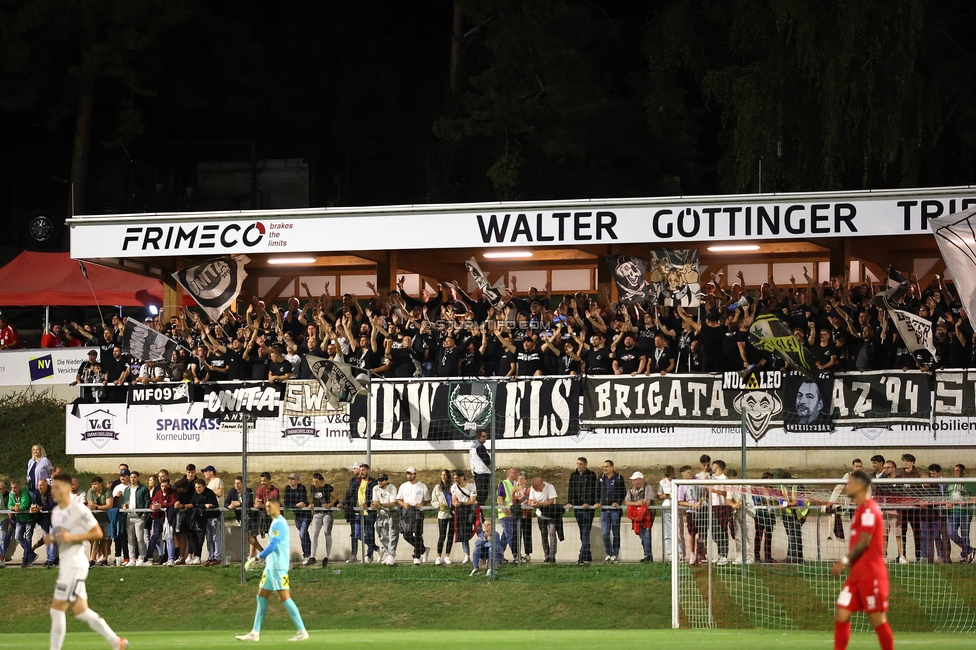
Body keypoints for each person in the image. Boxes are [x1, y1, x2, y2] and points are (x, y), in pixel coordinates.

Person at [46, 475, 128, 650]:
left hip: (75, 565)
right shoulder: (56, 513)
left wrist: (72, 537)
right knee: (81, 611)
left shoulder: (78, 510)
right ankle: (116, 641)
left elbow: (97, 533)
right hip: (66, 565)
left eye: (58, 487)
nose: (54, 490)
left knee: (57, 609)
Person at [831, 470, 894, 650]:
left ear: (860, 486)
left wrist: (843, 560)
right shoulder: (860, 510)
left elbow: (864, 541)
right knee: (841, 613)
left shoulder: (869, 510)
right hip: (857, 575)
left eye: (849, 483)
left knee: (877, 620)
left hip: (871, 575)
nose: (847, 487)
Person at [238, 497, 309, 642]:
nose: (267, 508)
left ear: (278, 507)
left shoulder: (280, 524)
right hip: (271, 567)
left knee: (285, 598)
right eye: (266, 506)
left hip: (278, 567)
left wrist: (256, 558)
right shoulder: (275, 522)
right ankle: (255, 632)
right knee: (261, 596)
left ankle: (302, 631)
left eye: (270, 506)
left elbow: (273, 545)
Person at [565, 457, 597, 565]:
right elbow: (571, 490)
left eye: (581, 464)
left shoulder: (591, 475)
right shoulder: (573, 476)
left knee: (585, 531)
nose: (579, 466)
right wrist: (571, 502)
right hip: (578, 508)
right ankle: (587, 554)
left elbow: (592, 490)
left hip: (588, 509)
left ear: (586, 465)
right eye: (577, 463)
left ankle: (582, 556)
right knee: (582, 532)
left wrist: (588, 502)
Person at [396, 467, 430, 564]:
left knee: (418, 534)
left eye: (410, 474)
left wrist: (421, 504)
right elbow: (399, 499)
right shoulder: (403, 486)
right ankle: (423, 549)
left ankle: (417, 556)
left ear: (415, 474)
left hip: (417, 511)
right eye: (407, 474)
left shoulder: (422, 486)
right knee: (406, 534)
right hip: (407, 512)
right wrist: (404, 504)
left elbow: (427, 499)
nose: (409, 476)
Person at [597, 459, 626, 564]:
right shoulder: (600, 478)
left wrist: (617, 502)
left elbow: (623, 492)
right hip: (604, 510)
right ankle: (608, 553)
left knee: (615, 532)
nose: (605, 468)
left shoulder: (618, 478)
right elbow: (597, 490)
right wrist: (597, 501)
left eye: (607, 466)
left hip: (614, 511)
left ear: (612, 467)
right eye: (603, 466)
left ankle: (615, 554)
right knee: (605, 533)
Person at [947, 464, 976, 563]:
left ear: (963, 472)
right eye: (954, 470)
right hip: (952, 512)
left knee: (965, 534)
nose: (955, 472)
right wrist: (948, 503)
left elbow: (974, 497)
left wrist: (966, 502)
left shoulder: (969, 483)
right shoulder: (949, 483)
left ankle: (965, 557)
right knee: (951, 533)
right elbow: (946, 496)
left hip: (965, 512)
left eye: (958, 471)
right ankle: (970, 549)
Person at [146, 476, 177, 566]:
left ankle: (171, 558)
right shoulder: (158, 493)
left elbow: (173, 503)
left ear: (169, 485)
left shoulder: (172, 493)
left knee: (169, 538)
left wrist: (162, 505)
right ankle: (149, 557)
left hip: (168, 518)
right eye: (162, 486)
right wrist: (153, 506)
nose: (164, 488)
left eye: (165, 486)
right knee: (154, 536)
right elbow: (153, 501)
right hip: (158, 518)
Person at [528, 477, 560, 563]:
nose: (537, 490)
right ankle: (546, 555)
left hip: (551, 515)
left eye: (537, 488)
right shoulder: (532, 488)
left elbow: (551, 501)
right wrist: (532, 503)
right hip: (540, 515)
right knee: (543, 534)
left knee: (552, 533)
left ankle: (552, 555)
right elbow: (530, 500)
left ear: (541, 484)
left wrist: (540, 504)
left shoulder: (550, 487)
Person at [121, 471, 149, 567]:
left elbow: (147, 501)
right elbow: (124, 501)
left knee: (139, 538)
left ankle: (141, 557)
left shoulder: (143, 489)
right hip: (129, 516)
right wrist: (124, 506)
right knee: (130, 539)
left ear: (137, 478)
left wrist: (143, 513)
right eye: (131, 477)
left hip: (139, 516)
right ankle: (132, 558)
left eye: (134, 477)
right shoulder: (127, 489)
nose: (132, 479)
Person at [625, 472, 655, 563]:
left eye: (635, 480)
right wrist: (637, 504)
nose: (633, 482)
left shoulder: (647, 487)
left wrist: (635, 504)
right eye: (633, 480)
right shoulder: (631, 489)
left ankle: (648, 555)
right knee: (641, 534)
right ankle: (647, 554)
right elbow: (627, 502)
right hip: (637, 515)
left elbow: (647, 502)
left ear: (640, 480)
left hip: (647, 515)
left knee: (646, 534)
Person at [284, 473, 312, 566]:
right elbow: (287, 503)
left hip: (306, 515)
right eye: (289, 479)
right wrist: (296, 505)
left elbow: (303, 501)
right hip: (297, 516)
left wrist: (298, 504)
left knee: (302, 533)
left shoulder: (301, 488)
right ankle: (308, 554)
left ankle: (307, 555)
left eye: (292, 479)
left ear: (297, 481)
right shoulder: (287, 489)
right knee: (304, 535)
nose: (290, 481)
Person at [191, 478, 221, 566]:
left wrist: (204, 506)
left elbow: (213, 504)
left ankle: (217, 557)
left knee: (216, 538)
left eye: (199, 487)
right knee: (209, 539)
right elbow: (195, 504)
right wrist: (204, 505)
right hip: (205, 519)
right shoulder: (195, 494)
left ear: (204, 486)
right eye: (196, 487)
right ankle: (210, 557)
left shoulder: (209, 493)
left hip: (214, 517)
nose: (197, 489)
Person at [309, 473, 337, 567]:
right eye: (313, 482)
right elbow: (314, 498)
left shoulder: (328, 487)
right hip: (317, 513)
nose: (315, 484)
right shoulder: (313, 488)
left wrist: (330, 504)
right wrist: (312, 504)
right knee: (314, 534)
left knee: (326, 532)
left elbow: (336, 497)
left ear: (321, 481)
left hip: (326, 513)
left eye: (316, 482)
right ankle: (312, 556)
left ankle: (326, 556)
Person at [372, 473, 399, 565]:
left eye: (382, 480)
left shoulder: (392, 488)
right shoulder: (375, 488)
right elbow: (375, 500)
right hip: (381, 514)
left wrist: (381, 505)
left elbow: (392, 503)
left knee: (393, 534)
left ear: (387, 481)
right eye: (379, 480)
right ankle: (388, 553)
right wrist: (375, 505)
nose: (379, 482)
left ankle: (391, 555)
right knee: (382, 534)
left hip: (392, 513)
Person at [451, 470, 478, 563]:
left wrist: (462, 503)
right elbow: (453, 499)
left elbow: (472, 500)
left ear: (462, 477)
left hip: (471, 509)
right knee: (463, 532)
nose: (456, 480)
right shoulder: (454, 487)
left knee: (478, 528)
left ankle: (483, 551)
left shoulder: (471, 485)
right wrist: (456, 503)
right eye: (455, 478)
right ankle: (466, 554)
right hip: (461, 510)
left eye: (457, 478)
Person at [86, 477, 113, 566]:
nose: (94, 486)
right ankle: (92, 559)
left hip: (106, 519)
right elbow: (90, 504)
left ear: (101, 483)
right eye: (93, 484)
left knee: (106, 539)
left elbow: (109, 505)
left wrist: (97, 507)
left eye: (96, 483)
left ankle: (105, 559)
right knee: (95, 539)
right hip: (95, 519)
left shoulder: (107, 491)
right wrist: (99, 506)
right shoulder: (91, 491)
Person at [431, 470, 455, 565]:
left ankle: (447, 555)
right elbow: (433, 501)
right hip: (442, 514)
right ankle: (438, 556)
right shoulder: (437, 487)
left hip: (452, 513)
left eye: (445, 475)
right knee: (442, 535)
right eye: (442, 474)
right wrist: (438, 504)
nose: (443, 476)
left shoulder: (453, 486)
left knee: (450, 535)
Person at [497, 467, 519, 562]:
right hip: (506, 514)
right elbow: (500, 498)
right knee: (510, 535)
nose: (516, 474)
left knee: (505, 537)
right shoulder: (504, 483)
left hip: (513, 513)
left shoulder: (515, 484)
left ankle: (498, 555)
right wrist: (505, 511)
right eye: (514, 472)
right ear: (509, 474)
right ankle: (516, 555)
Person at [657, 466, 679, 563]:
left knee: (678, 531)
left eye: (670, 475)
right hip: (666, 508)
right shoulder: (662, 482)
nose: (669, 477)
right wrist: (665, 496)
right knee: (668, 532)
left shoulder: (679, 482)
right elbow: (658, 495)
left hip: (677, 509)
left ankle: (680, 553)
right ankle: (671, 554)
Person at [470, 430, 491, 505]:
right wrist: (492, 470)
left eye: (486, 436)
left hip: (477, 471)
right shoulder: (480, 447)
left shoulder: (474, 445)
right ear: (478, 437)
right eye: (484, 436)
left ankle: (479, 510)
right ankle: (479, 510)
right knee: (482, 493)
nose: (486, 438)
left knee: (479, 492)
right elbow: (487, 460)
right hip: (482, 472)